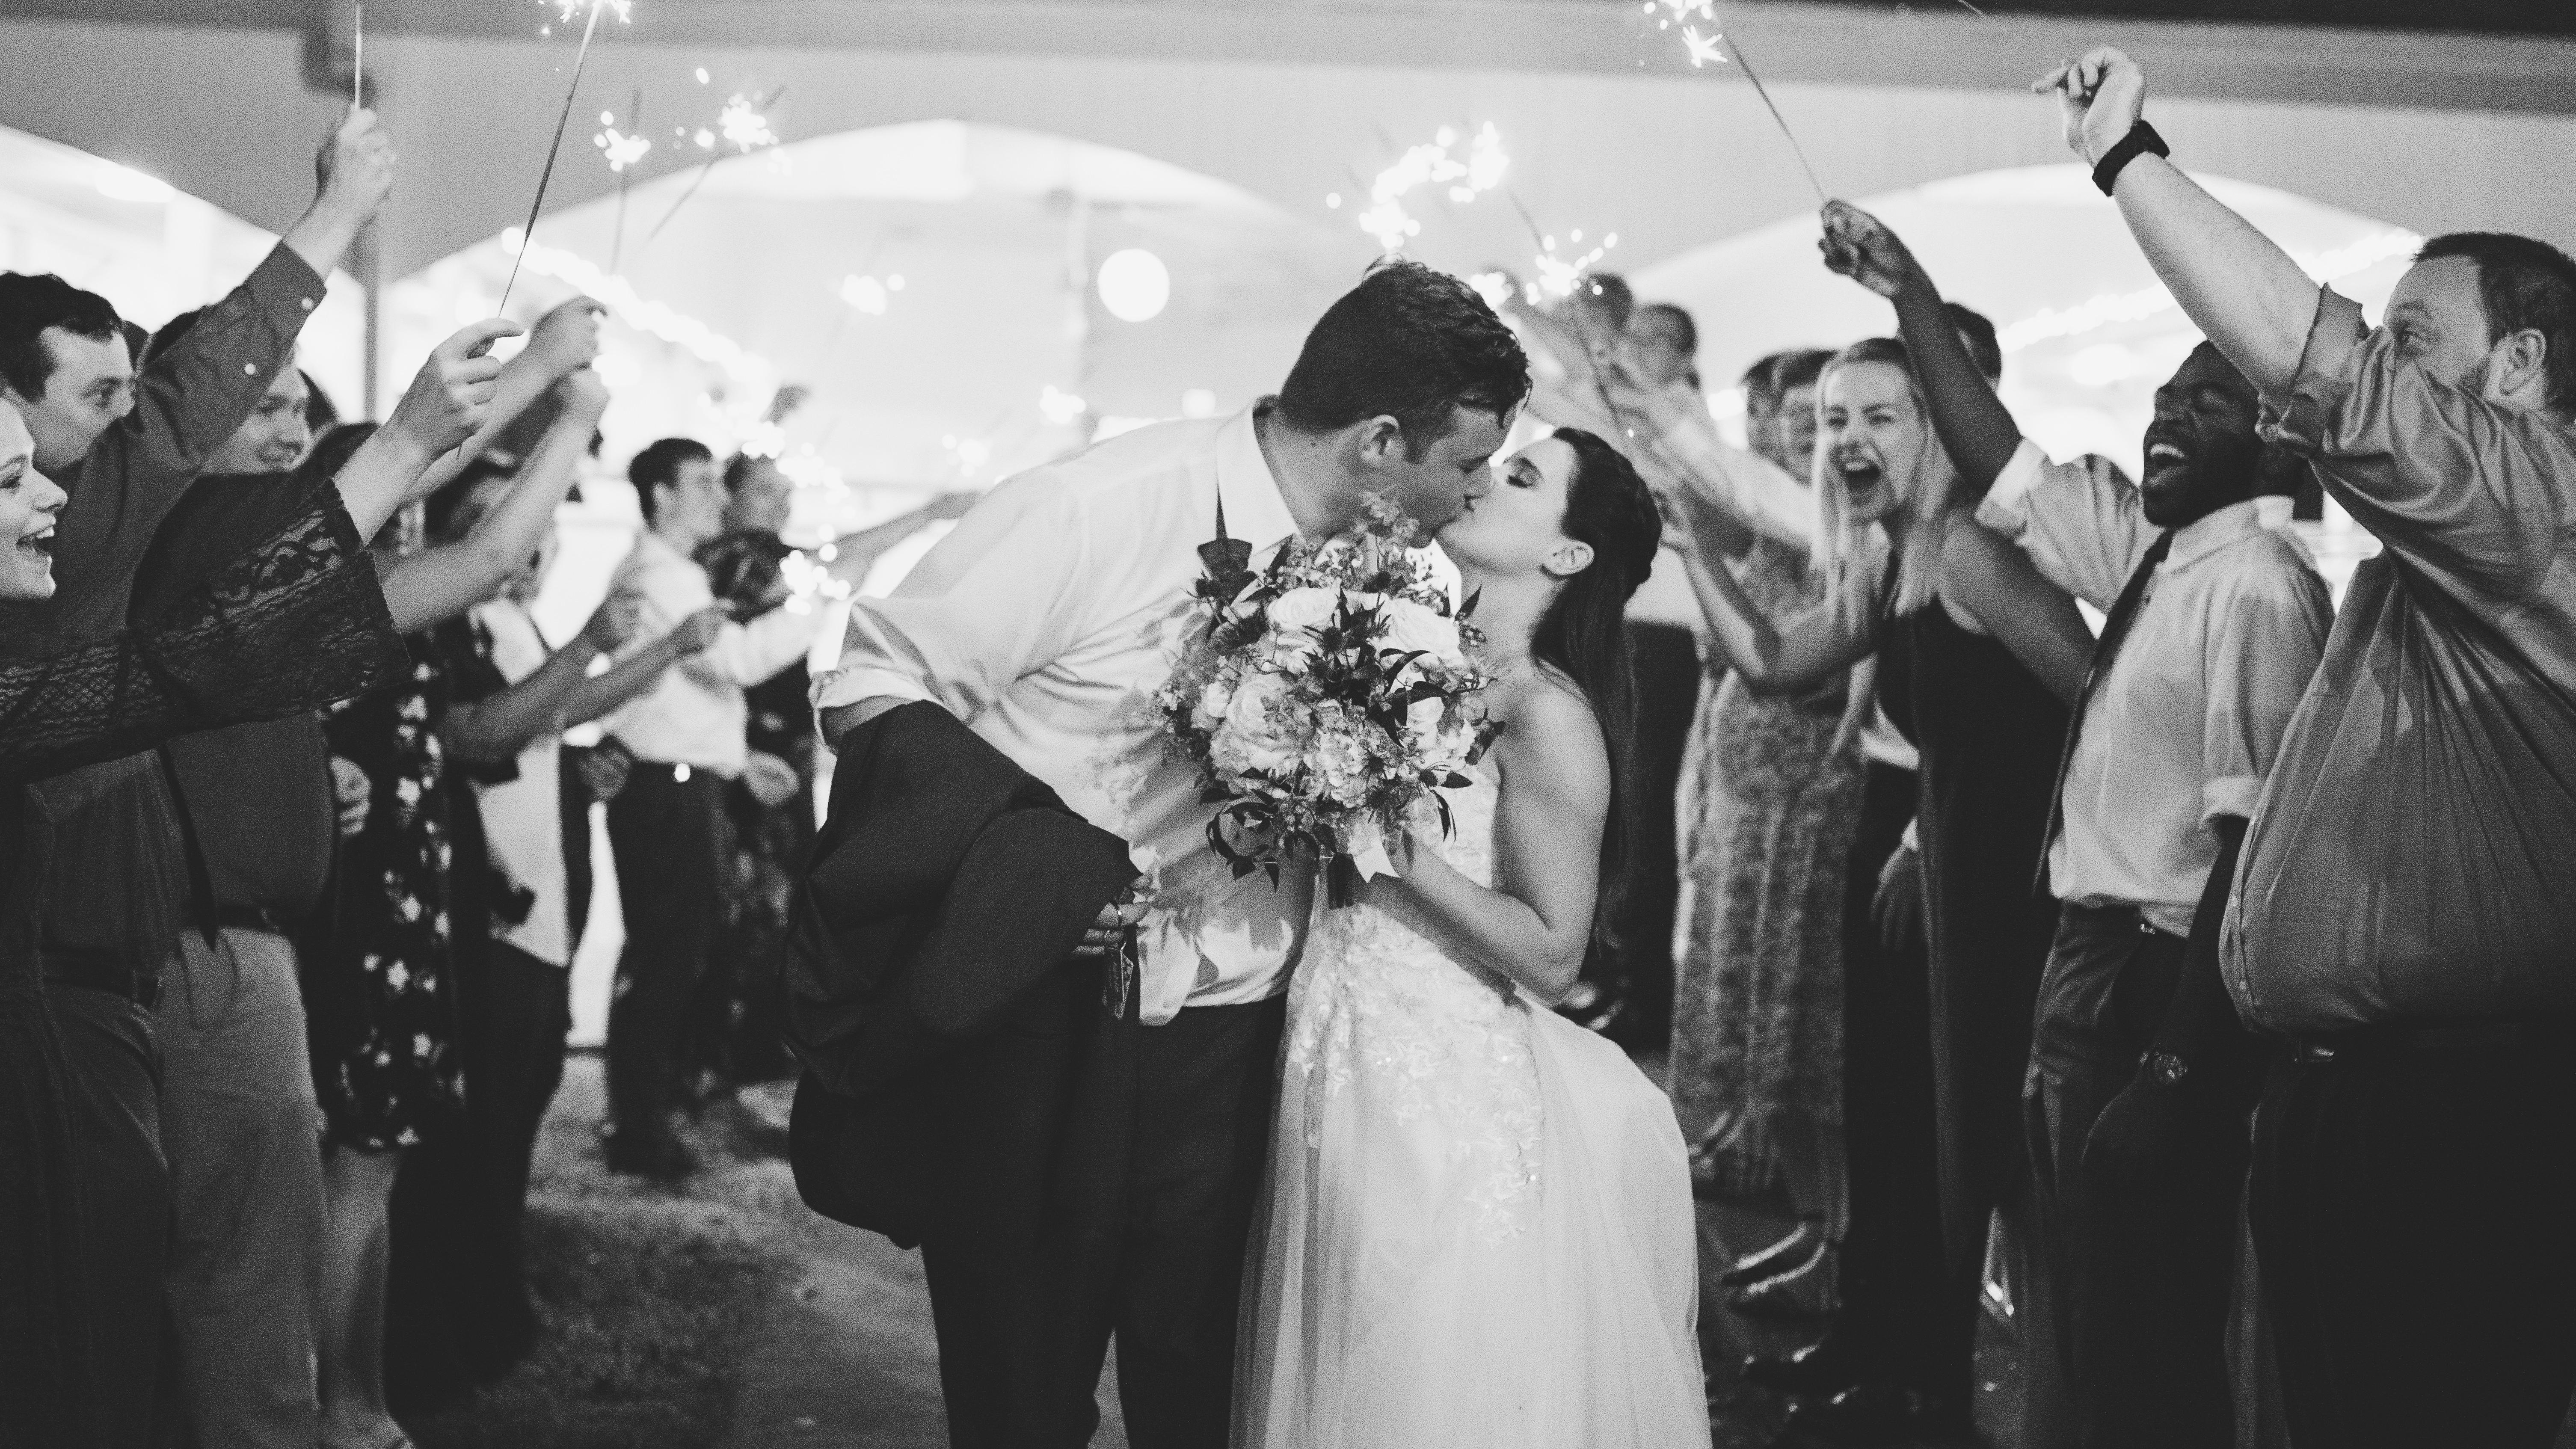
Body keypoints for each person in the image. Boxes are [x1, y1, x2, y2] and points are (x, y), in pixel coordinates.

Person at [812, 258, 1526, 1447]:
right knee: (1021, 1394)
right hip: (1042, 1023)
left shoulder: (1398, 573)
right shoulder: (1094, 509)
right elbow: (871, 684)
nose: (1476, 492)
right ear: (1379, 439)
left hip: (1242, 1035)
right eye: (1466, 461)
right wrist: (1029, 863)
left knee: (1209, 1398)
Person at [2047, 47, 2576, 1449]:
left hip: (2453, 1114)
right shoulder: (2458, 556)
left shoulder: (2538, 504)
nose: (2379, 357)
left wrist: (2127, 161)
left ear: (2519, 364)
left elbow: (2312, 359)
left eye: (2412, 334)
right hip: (2366, 1100)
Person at [1823, 197, 2334, 1446]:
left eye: (2204, 402)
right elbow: (2005, 462)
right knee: (2071, 1281)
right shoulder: (2160, 557)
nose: (2165, 415)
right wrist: (1906, 292)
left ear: (2277, 438)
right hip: (2087, 955)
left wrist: (2175, 1060)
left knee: (2138, 1310)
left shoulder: (2258, 588)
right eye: (2162, 397)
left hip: (2151, 977)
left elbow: (2249, 852)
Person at [0, 318, 508, 1449]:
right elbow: (197, 658)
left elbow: (180, 670)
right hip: (99, 1000)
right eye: (11, 479)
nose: (56, 493)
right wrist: (418, 430)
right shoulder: (58, 648)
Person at [1234, 427, 1709, 1448]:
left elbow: (1553, 952)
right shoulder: (1408, 655)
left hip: (1437, 1083)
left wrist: (1386, 841)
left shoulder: (1546, 711)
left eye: (1522, 476)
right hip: (1336, 1039)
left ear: (1567, 553)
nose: (1487, 476)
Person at [1671, 335, 2090, 1442]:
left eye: (1876, 416)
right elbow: (1772, 658)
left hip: (2003, 890)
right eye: (1833, 419)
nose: (1845, 439)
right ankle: (1905, 1370)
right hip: (1942, 875)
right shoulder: (1888, 560)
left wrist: (1941, 831)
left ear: (1933, 428)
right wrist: (1689, 550)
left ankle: (1981, 1395)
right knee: (1907, 1127)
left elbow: (2096, 699)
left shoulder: (1968, 554)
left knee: (1981, 1155)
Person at [297, 362, 606, 1448]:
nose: (411, 515)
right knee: (357, 1161)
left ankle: (364, 1392)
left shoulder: (373, 589)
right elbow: (487, 557)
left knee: (378, 1160)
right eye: (399, 496)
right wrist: (566, 403)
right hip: (362, 902)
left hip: (406, 894)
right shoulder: (334, 589)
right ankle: (336, 1404)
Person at [1662, 347, 1867, 1325]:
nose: (1805, 438)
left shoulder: (1840, 534)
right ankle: (1803, 1208)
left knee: (1804, 1031)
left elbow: (1793, 666)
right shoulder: (1789, 521)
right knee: (1753, 999)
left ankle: (1828, 1232)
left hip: (1811, 800)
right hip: (1752, 781)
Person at [598, 437, 820, 1178]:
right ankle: (639, 1127)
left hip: (686, 779)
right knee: (668, 958)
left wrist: (736, 761)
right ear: (660, 494)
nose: (719, 498)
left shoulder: (681, 573)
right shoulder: (658, 575)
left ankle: (651, 1115)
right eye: (700, 483)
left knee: (678, 954)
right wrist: (817, 603)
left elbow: (687, 696)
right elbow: (734, 663)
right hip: (664, 788)